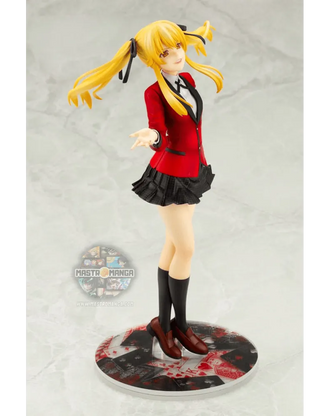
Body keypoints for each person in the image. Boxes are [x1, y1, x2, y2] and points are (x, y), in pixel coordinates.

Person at [68, 20, 224, 360]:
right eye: (166, 52)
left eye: (178, 46)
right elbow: (158, 130)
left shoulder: (188, 80)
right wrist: (150, 136)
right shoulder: (153, 93)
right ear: (154, 58)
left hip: (193, 169)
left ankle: (163, 325)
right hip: (170, 176)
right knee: (186, 248)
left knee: (173, 245)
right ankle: (180, 325)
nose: (177, 55)